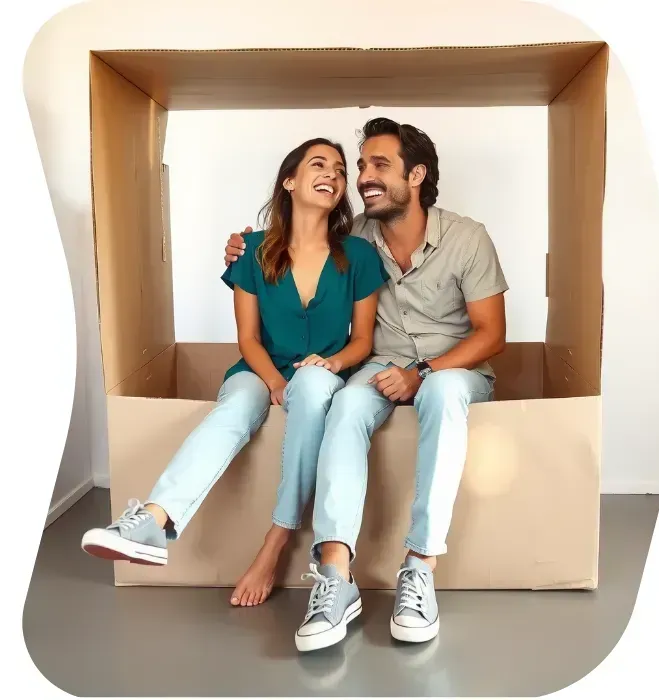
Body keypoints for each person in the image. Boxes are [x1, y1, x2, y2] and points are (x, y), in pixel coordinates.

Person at [224, 118, 508, 651]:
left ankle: (419, 565)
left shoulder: (467, 237)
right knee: (345, 406)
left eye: (380, 165)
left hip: (452, 370)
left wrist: (421, 373)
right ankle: (336, 575)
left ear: (417, 174)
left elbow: (493, 335)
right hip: (375, 367)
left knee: (443, 394)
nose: (363, 178)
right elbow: (292, 244)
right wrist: (242, 247)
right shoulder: (353, 240)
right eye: (361, 167)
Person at [81, 137, 389, 611]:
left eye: (341, 170)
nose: (334, 174)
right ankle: (153, 521)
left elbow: (363, 340)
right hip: (259, 368)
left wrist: (331, 365)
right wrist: (273, 382)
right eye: (319, 164)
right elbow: (248, 338)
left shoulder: (358, 256)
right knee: (235, 407)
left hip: (325, 372)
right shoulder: (251, 250)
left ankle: (275, 542)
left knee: (310, 384)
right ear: (289, 181)